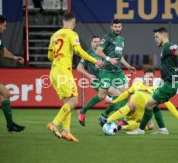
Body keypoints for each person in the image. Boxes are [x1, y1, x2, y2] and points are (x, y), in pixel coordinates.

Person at [46, 12, 104, 142]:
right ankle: (54, 124)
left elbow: (49, 56)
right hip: (63, 71)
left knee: (68, 102)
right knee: (74, 102)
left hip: (53, 71)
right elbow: (79, 51)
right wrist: (95, 61)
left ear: (63, 22)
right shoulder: (72, 34)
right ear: (73, 23)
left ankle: (66, 131)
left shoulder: (54, 35)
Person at [127, 27, 178, 135]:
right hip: (167, 83)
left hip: (170, 84)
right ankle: (162, 129)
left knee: (148, 105)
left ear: (163, 36)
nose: (155, 39)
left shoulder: (168, 46)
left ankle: (140, 130)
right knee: (153, 105)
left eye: (157, 37)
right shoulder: (169, 48)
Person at [78, 19, 135, 126]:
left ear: (121, 27)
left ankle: (118, 119)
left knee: (126, 94)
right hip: (107, 72)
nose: (117, 29)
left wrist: (128, 66)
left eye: (119, 27)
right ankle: (83, 111)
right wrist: (109, 59)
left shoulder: (122, 39)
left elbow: (119, 55)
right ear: (112, 27)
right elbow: (99, 51)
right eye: (115, 27)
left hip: (118, 71)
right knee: (101, 95)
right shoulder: (106, 38)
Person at [105, 66, 178, 132]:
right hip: (131, 111)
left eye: (151, 77)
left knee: (149, 125)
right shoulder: (137, 84)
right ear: (143, 77)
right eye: (147, 77)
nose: (149, 79)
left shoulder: (157, 90)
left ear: (154, 78)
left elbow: (169, 104)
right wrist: (114, 101)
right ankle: (108, 121)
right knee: (131, 104)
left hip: (142, 117)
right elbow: (125, 94)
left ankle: (120, 126)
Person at [76, 36, 120, 126]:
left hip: (106, 78)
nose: (97, 43)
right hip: (96, 80)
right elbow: (79, 67)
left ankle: (84, 111)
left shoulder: (104, 52)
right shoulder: (88, 54)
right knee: (116, 94)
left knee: (105, 96)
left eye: (99, 42)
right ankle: (119, 120)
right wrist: (89, 76)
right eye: (95, 41)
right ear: (91, 43)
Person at [0, 15, 25, 132]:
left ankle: (10, 124)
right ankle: (10, 124)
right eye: (4, 25)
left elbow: (4, 52)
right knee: (5, 93)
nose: (5, 28)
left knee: (6, 93)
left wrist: (14, 57)